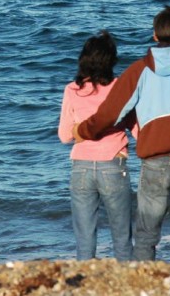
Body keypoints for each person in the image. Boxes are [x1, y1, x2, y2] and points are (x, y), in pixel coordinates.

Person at [74, 5, 170, 262]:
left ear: (155, 35)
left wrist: (83, 130)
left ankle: (143, 278)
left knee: (147, 233)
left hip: (153, 160)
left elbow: (109, 114)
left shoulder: (137, 71)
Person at [58, 31, 136, 261]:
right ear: (111, 60)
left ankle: (84, 278)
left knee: (84, 238)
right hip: (113, 163)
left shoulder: (72, 89)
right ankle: (125, 278)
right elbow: (137, 128)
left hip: (81, 165)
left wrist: (81, 130)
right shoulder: (120, 87)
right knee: (122, 236)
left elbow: (64, 136)